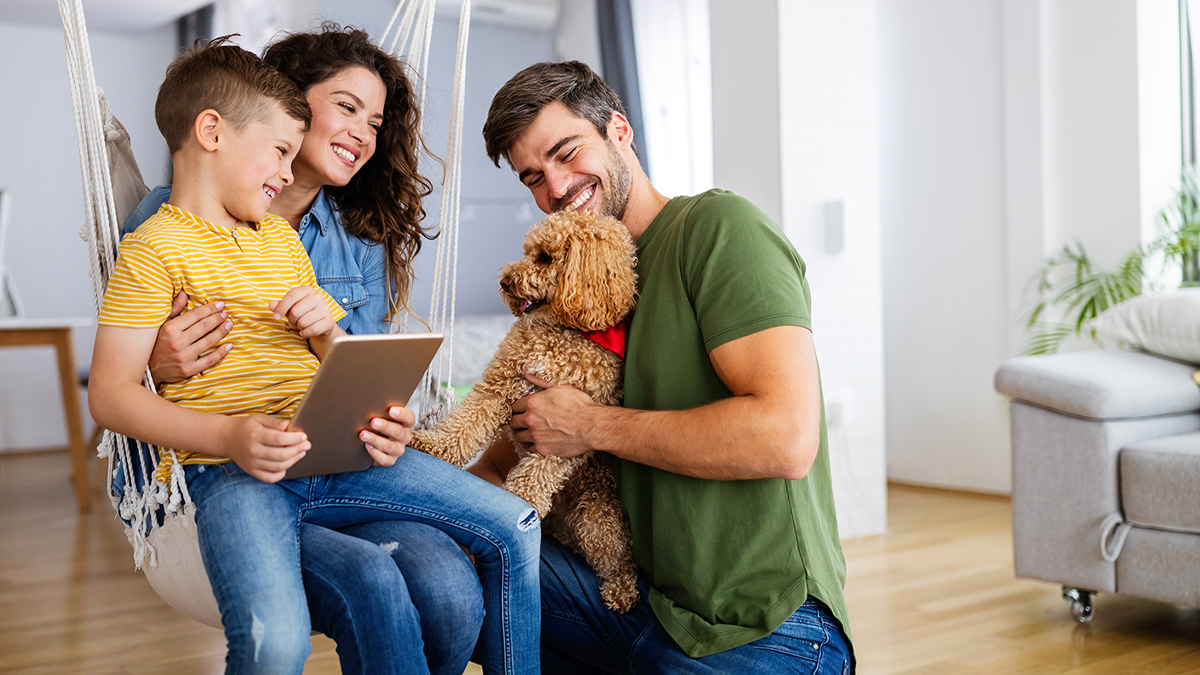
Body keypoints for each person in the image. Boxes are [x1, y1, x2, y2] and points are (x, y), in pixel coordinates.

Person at [91, 39, 540, 675]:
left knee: (496, 543)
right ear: (219, 130)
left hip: (337, 456)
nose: (362, 134)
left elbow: (343, 363)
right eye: (347, 109)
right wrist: (171, 381)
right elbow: (113, 391)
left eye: (376, 123)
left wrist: (362, 381)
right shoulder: (153, 242)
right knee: (311, 621)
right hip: (232, 468)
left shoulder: (290, 243)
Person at [473, 60, 855, 673]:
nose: (556, 188)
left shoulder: (718, 229)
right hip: (632, 602)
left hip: (759, 626)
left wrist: (591, 425)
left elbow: (786, 438)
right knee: (448, 566)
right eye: (533, 178)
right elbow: (500, 457)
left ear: (619, 130)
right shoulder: (569, 293)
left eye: (567, 153)